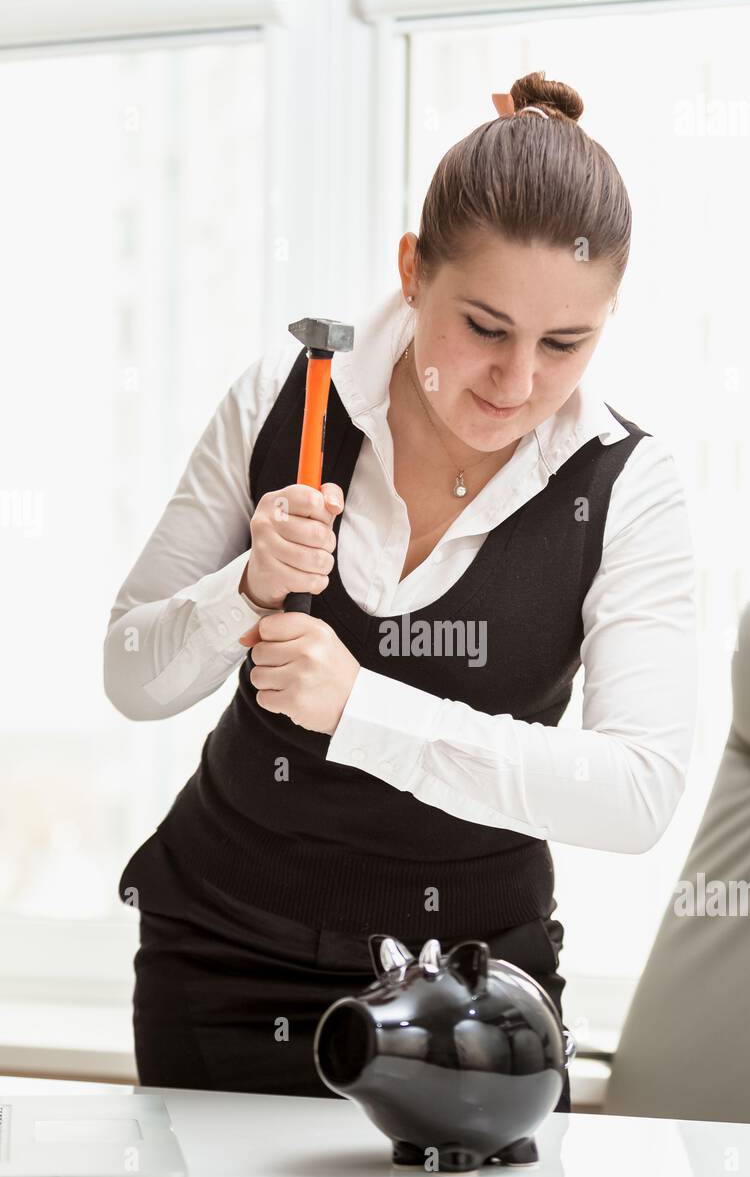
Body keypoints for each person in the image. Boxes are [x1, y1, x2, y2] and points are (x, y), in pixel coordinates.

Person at [104, 71, 698, 1115]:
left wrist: (360, 708)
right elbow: (130, 674)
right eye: (483, 327)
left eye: (564, 344)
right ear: (411, 271)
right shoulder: (279, 402)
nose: (514, 383)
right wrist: (241, 591)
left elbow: (636, 789)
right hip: (222, 964)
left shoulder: (623, 486)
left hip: (470, 994)